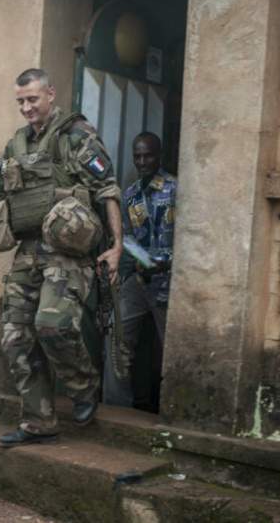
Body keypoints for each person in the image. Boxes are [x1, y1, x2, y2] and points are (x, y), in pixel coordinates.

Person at [0, 68, 123, 448]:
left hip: (68, 252)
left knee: (53, 325)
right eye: (20, 101)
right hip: (27, 252)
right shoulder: (16, 145)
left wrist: (116, 247)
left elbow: (107, 189)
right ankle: (39, 421)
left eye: (33, 99)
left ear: (51, 95)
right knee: (14, 337)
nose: (26, 107)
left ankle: (83, 386)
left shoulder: (78, 135)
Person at [105, 132, 177, 412]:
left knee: (169, 346)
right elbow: (125, 237)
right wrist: (141, 261)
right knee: (116, 335)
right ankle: (115, 407)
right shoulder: (131, 194)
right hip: (139, 278)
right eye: (138, 156)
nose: (143, 161)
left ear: (159, 156)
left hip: (169, 282)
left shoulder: (174, 189)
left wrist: (163, 260)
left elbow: (187, 236)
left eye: (148, 155)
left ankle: (169, 410)